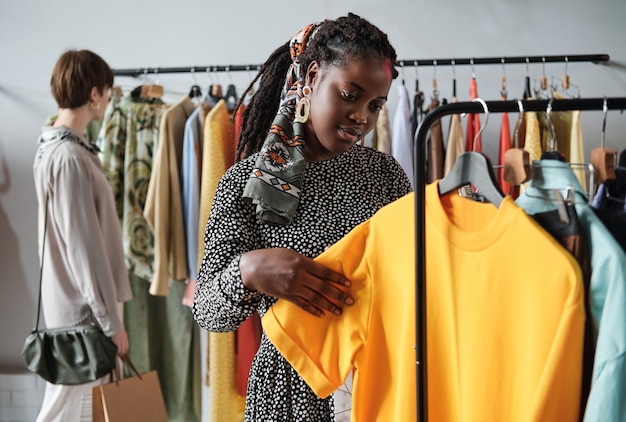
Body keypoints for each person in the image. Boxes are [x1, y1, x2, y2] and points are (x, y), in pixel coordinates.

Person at [192, 13, 412, 421]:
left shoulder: (385, 176)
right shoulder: (248, 182)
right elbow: (208, 311)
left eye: (375, 105)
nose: (361, 117)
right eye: (350, 94)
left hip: (376, 383)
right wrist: (249, 270)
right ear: (311, 76)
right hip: (289, 396)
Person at [33, 49, 132, 421]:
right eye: (107, 91)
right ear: (94, 94)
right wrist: (110, 322)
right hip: (84, 312)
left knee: (84, 407)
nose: (108, 99)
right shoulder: (70, 158)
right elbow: (83, 249)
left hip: (75, 305)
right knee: (63, 407)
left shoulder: (54, 149)